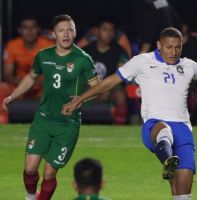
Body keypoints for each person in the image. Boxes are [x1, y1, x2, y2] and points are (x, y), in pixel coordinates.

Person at [62, 27, 197, 199]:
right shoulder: (142, 62)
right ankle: (167, 158)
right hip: (154, 126)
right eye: (169, 46)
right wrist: (81, 98)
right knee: (163, 129)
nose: (173, 51)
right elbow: (110, 81)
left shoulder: (188, 66)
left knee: (182, 194)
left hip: (184, 132)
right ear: (159, 45)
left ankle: (170, 162)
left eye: (178, 47)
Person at [2, 15, 99, 200]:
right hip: (44, 119)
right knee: (30, 168)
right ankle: (30, 197)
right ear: (53, 34)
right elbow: (31, 77)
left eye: (70, 29)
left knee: (48, 173)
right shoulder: (43, 56)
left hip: (68, 125)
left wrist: (80, 100)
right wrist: (12, 96)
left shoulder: (83, 59)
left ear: (75, 32)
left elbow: (98, 87)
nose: (66, 34)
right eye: (61, 30)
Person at [0, 16, 54, 123]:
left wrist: (37, 83)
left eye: (32, 27)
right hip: (19, 88)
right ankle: (2, 120)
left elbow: (54, 73)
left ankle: (53, 124)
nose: (29, 31)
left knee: (57, 88)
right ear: (20, 30)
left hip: (41, 88)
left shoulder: (48, 46)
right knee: (2, 87)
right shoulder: (12, 45)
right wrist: (24, 84)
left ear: (38, 29)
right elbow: (7, 74)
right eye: (25, 27)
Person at [83, 19, 129, 124]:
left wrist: (104, 89)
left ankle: (119, 130)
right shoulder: (86, 51)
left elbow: (122, 77)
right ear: (97, 31)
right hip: (88, 90)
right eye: (105, 30)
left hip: (109, 90)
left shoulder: (119, 52)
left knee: (120, 94)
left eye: (111, 30)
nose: (108, 34)